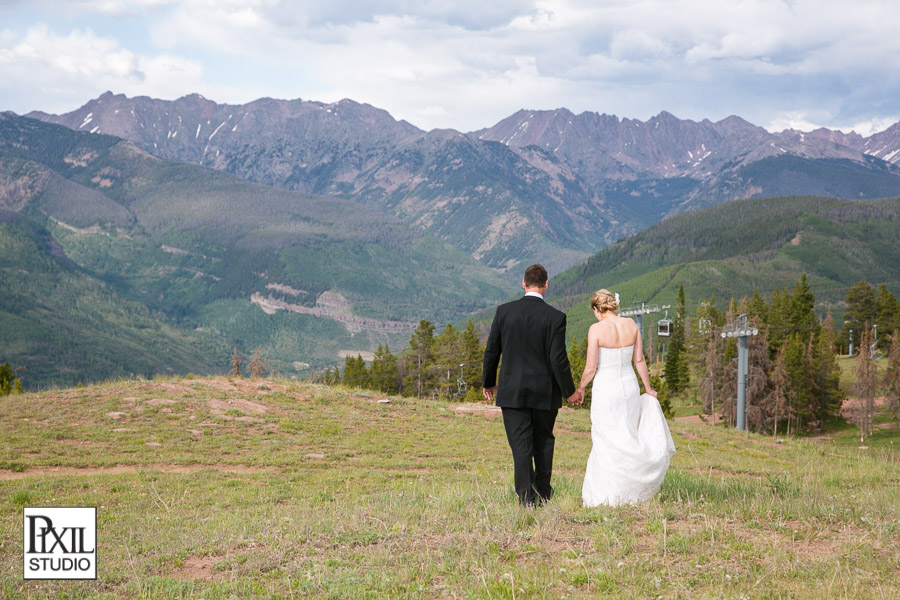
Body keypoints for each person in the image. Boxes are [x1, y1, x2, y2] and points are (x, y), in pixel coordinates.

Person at [482, 264, 582, 507]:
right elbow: (558, 359)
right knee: (544, 441)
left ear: (523, 283)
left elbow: (492, 350)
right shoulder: (555, 317)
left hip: (512, 391)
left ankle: (527, 499)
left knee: (521, 446)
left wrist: (488, 382)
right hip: (544, 392)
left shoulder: (504, 312)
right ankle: (544, 493)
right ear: (546, 285)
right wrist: (569, 391)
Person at [576, 289, 676, 507]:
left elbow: (591, 367)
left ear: (596, 309)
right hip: (629, 387)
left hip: (607, 389)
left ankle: (607, 495)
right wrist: (647, 388)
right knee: (627, 434)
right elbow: (639, 360)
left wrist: (581, 388)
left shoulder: (596, 329)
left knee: (606, 438)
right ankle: (631, 491)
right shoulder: (631, 324)